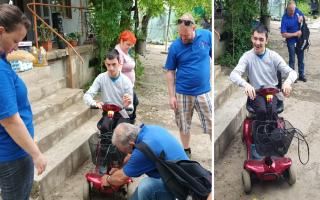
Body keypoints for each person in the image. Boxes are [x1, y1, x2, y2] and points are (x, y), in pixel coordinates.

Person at [0, 4, 47, 200]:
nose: (17, 46)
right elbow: (9, 120)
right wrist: (36, 154)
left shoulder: (3, 60)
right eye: (15, 40)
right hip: (13, 155)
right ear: (1, 31)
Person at [164, 13, 212, 157]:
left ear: (194, 28)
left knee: (211, 123)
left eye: (186, 35)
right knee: (184, 125)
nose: (183, 38)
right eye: (180, 35)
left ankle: (213, 152)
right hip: (183, 93)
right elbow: (170, 72)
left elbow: (211, 56)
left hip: (204, 91)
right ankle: (186, 151)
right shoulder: (175, 46)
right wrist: (172, 96)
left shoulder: (206, 36)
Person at [100, 123, 189, 200]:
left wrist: (108, 179)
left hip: (180, 189)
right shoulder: (149, 130)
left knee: (147, 186)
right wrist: (120, 168)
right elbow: (131, 155)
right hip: (183, 176)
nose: (127, 153)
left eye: (125, 151)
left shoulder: (143, 151)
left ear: (131, 144)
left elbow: (121, 178)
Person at [230, 24, 297, 121]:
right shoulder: (247, 56)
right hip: (257, 93)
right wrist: (246, 85)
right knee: (262, 111)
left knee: (272, 111)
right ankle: (259, 134)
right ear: (251, 38)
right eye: (255, 38)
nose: (257, 42)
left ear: (266, 40)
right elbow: (233, 74)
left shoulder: (273, 56)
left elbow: (293, 73)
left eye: (261, 39)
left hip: (272, 93)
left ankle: (272, 134)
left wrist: (287, 83)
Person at [83, 49, 134, 131]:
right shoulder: (101, 78)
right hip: (108, 112)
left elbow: (130, 110)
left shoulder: (126, 81)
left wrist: (127, 105)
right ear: (105, 63)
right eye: (108, 64)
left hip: (123, 112)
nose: (111, 68)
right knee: (104, 128)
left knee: (120, 132)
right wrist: (94, 103)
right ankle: (104, 143)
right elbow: (87, 95)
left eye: (114, 64)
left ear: (119, 62)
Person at [115, 30, 139, 122]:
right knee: (129, 107)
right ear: (121, 41)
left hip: (128, 86)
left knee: (133, 103)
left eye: (131, 45)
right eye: (128, 44)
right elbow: (118, 70)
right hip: (123, 88)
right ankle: (127, 126)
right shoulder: (118, 53)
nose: (130, 47)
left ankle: (129, 123)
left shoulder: (123, 50)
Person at [281, 1, 306, 82]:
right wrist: (295, 34)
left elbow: (303, 16)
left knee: (301, 58)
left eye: (293, 10)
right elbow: (284, 34)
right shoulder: (284, 18)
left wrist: (302, 17)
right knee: (292, 59)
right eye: (291, 11)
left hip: (300, 40)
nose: (293, 12)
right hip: (291, 41)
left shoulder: (296, 11)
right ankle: (292, 77)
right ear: (287, 9)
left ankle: (301, 75)